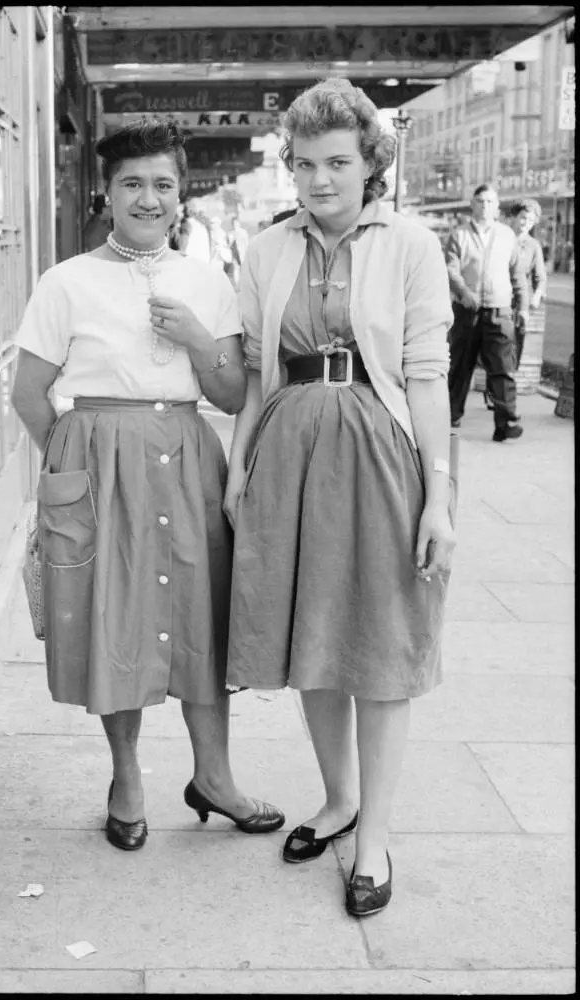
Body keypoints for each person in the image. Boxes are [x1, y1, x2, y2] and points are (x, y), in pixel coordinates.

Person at [11, 120, 284, 853]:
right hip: (101, 462)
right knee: (115, 621)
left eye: (163, 183)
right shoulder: (65, 282)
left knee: (203, 618)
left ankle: (215, 778)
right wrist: (77, 462)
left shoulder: (206, 282)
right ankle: (126, 778)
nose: (148, 197)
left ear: (181, 194)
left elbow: (230, 396)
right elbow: (29, 393)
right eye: (132, 182)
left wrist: (198, 337)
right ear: (107, 192)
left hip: (190, 460)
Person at [223, 78, 456, 919]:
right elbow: (255, 375)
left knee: (382, 646)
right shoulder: (265, 248)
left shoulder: (410, 244)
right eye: (305, 163)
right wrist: (238, 465)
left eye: (337, 162)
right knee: (311, 638)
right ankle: (337, 800)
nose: (318, 180)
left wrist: (439, 499)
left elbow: (428, 382)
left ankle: (375, 839)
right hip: (289, 449)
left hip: (380, 452)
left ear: (370, 164)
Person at [445, 184, 529, 441]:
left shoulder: (506, 235)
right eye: (481, 201)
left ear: (497, 206)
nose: (485, 206)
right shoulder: (458, 235)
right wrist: (463, 291)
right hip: (467, 311)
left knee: (502, 368)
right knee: (460, 366)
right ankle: (450, 416)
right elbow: (450, 269)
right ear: (472, 204)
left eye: (491, 202)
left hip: (499, 312)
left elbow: (518, 276)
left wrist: (523, 307)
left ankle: (506, 423)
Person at [509, 198, 547, 371]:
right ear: (515, 217)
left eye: (531, 220)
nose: (526, 223)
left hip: (519, 302)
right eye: (523, 217)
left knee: (515, 342)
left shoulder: (533, 246)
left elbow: (540, 277)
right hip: (498, 297)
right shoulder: (504, 238)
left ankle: (508, 380)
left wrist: (537, 296)